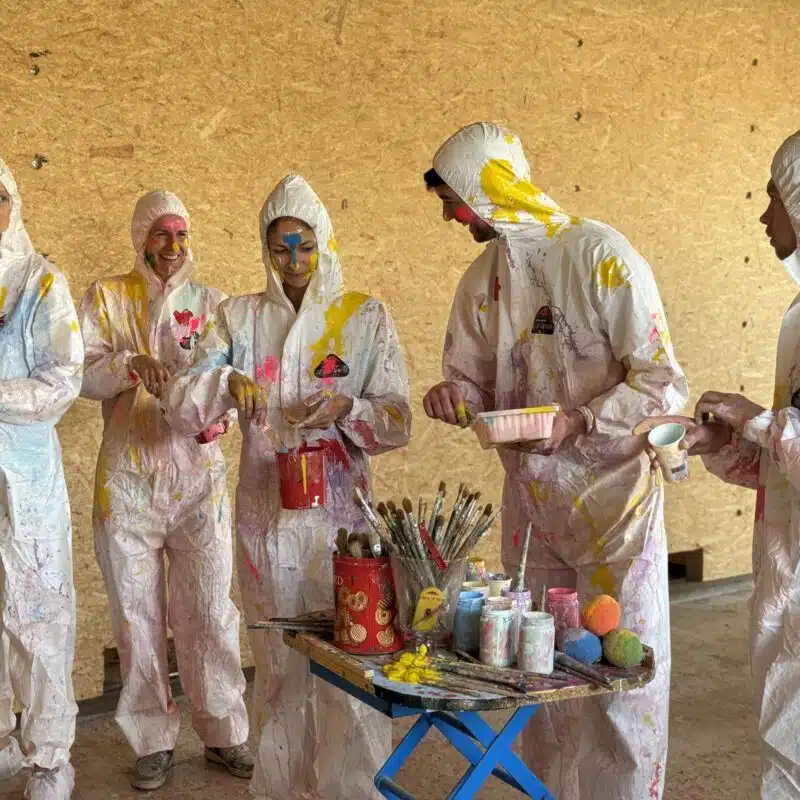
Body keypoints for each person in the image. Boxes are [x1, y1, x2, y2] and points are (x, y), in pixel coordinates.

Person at [421, 122, 688, 799]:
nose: (452, 217)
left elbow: (662, 383)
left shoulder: (598, 255)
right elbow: (470, 381)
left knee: (621, 679)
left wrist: (581, 420)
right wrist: (454, 397)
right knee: (536, 680)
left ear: (490, 187)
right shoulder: (482, 281)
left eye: (456, 201)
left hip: (614, 509)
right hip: (533, 508)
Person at [162, 173, 412, 800]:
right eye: (280, 248)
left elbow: (397, 420)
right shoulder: (238, 318)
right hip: (266, 520)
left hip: (345, 528)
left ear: (324, 242)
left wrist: (348, 408)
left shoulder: (363, 318)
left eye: (305, 246)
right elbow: (180, 404)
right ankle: (283, 789)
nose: (294, 261)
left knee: (353, 666)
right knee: (279, 670)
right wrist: (226, 383)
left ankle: (353, 790)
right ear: (265, 250)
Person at [78, 190, 252, 791]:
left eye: (180, 234)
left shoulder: (212, 305)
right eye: (161, 234)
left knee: (209, 610)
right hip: (127, 482)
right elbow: (80, 375)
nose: (173, 245)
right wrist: (130, 363)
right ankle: (152, 741)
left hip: (199, 479)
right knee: (137, 617)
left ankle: (224, 731)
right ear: (141, 239)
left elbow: (228, 383)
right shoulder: (107, 297)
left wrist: (218, 422)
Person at [683, 130, 800, 797]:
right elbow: (788, 465)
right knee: (785, 750)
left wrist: (755, 419)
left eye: (773, 197)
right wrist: (726, 444)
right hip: (786, 577)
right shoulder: (796, 319)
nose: (763, 216)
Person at [0, 158, 83, 799]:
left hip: (25, 481)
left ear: (12, 203)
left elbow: (62, 381)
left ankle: (49, 760)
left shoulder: (41, 282)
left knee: (38, 614)